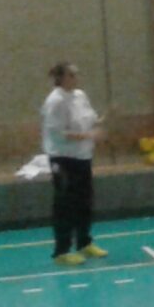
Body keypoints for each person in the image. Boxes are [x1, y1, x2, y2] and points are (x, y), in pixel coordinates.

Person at [40, 60, 104, 266]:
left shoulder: (80, 96)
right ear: (61, 78)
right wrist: (88, 135)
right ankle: (62, 251)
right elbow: (59, 134)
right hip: (63, 159)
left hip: (83, 157)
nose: (76, 78)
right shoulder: (55, 102)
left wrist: (100, 124)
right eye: (71, 75)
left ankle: (84, 242)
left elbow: (90, 119)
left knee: (84, 201)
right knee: (65, 205)